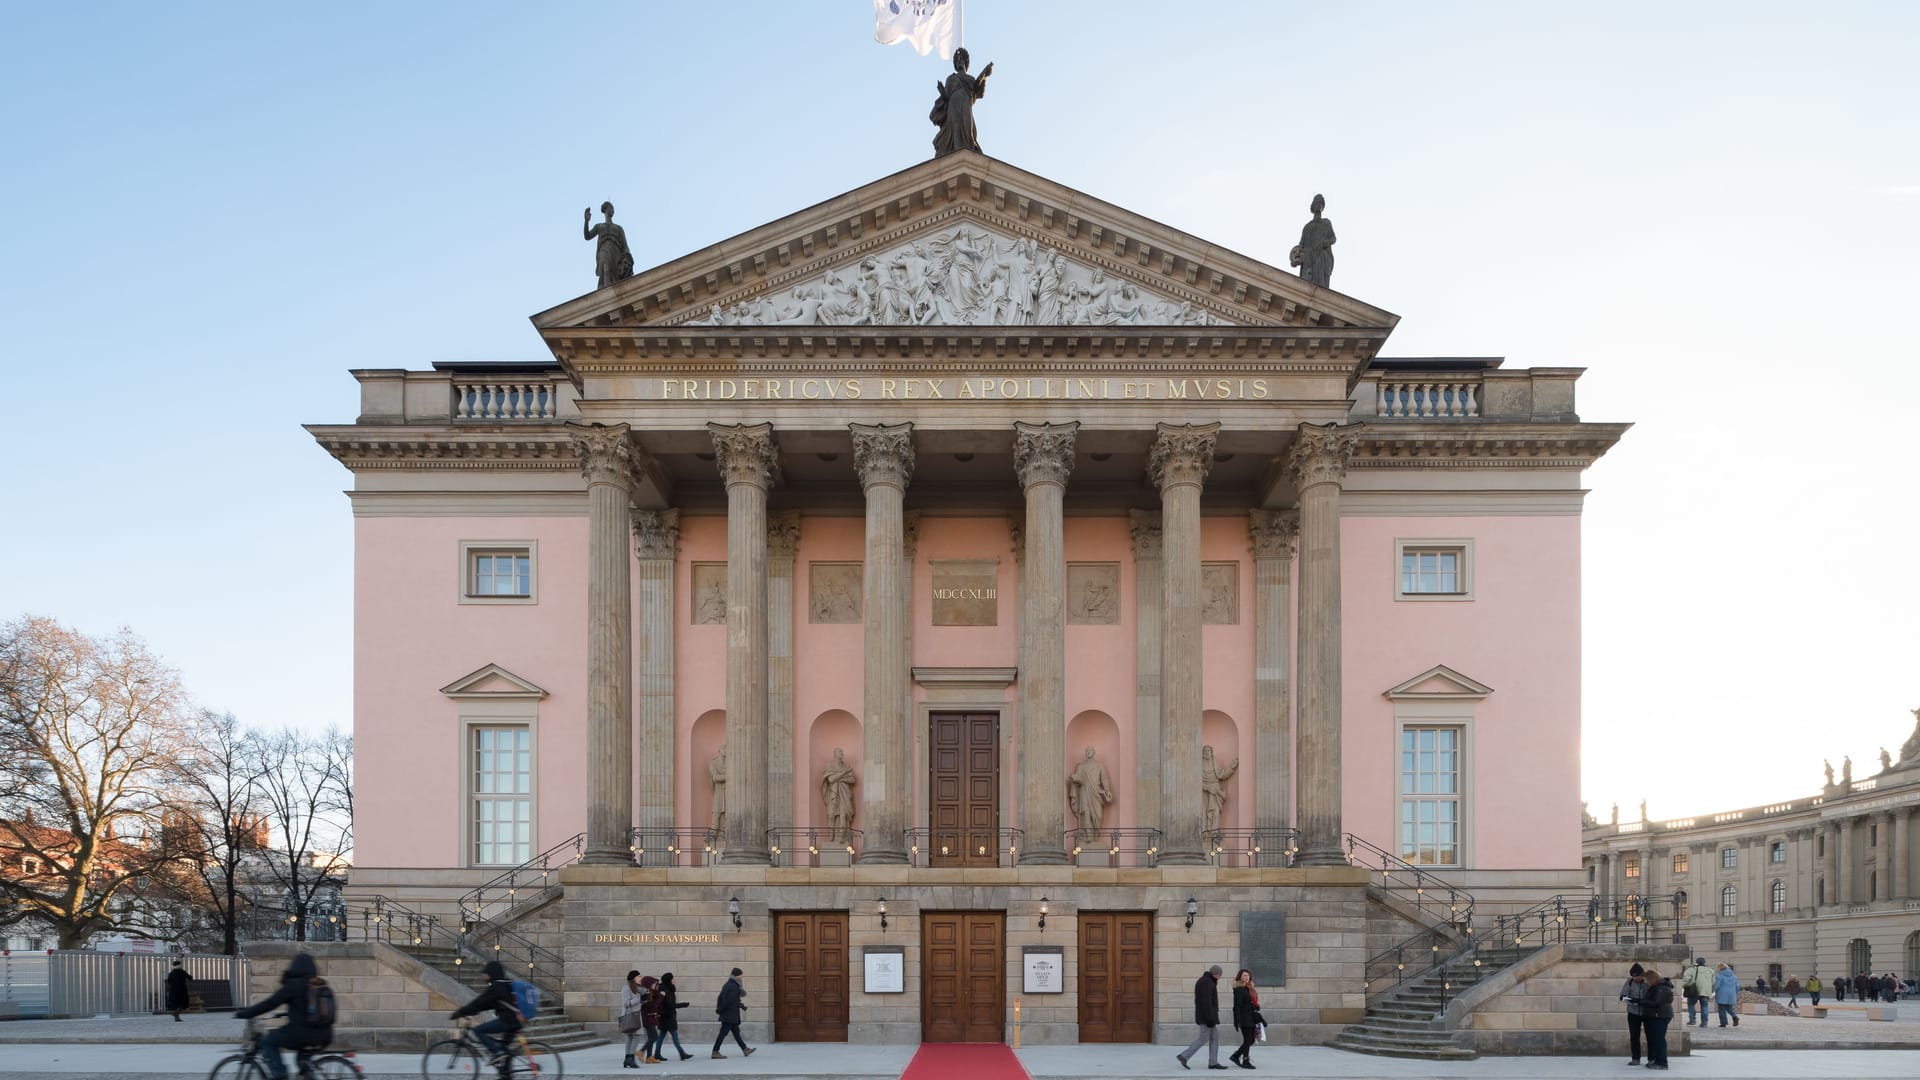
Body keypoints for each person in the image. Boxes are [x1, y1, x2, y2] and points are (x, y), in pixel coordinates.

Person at [233, 953, 334, 1080]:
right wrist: (288, 1013)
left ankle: (280, 1076)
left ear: (295, 968)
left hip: (302, 1034)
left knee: (268, 1042)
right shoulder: (320, 986)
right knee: (302, 1062)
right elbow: (308, 1010)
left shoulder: (294, 985)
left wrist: (245, 1013)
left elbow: (269, 1004)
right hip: (325, 1035)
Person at [450, 959, 523, 1075]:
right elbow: (488, 1004)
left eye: (486, 973)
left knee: (478, 1030)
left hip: (507, 1021)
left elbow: (480, 1002)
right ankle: (506, 1074)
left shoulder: (496, 987)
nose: (484, 976)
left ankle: (497, 1053)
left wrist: (460, 1012)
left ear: (492, 973)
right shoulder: (504, 984)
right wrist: (474, 1011)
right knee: (505, 1050)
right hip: (515, 1021)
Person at [929, 48, 993, 157]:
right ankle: (957, 153)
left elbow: (978, 92)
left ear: (966, 62)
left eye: (961, 59)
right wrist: (942, 91)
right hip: (953, 107)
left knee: (967, 127)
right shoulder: (951, 78)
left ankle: (968, 152)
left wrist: (984, 75)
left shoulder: (970, 79)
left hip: (965, 104)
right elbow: (946, 97)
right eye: (957, 60)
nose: (959, 62)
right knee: (956, 126)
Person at [1176, 964, 1226, 1070]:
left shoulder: (1207, 981)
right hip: (1207, 1017)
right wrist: (1209, 1018)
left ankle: (1213, 1062)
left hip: (1208, 1016)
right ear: (1216, 974)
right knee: (1204, 1038)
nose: (1220, 977)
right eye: (1220, 975)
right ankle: (1184, 1056)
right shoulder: (1206, 982)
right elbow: (1205, 1002)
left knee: (1214, 1038)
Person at [583, 202, 634, 289]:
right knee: (606, 269)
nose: (613, 210)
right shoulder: (599, 226)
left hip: (616, 253)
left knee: (615, 275)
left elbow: (625, 246)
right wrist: (586, 221)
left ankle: (614, 293)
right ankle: (605, 291)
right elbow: (587, 236)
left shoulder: (619, 228)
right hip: (604, 250)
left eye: (613, 209)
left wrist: (628, 259)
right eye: (611, 208)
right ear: (605, 209)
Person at [649, 971, 692, 1062]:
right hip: (668, 1017)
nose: (674, 980)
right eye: (673, 978)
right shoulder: (666, 990)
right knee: (674, 1036)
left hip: (664, 1016)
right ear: (669, 980)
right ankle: (682, 1053)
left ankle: (657, 1054)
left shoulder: (666, 989)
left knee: (661, 1036)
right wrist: (683, 1004)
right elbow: (670, 1005)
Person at [711, 967, 753, 1059]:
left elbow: (731, 999)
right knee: (723, 1033)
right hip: (729, 1015)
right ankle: (715, 1051)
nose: (742, 977)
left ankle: (745, 1049)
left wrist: (741, 1006)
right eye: (741, 975)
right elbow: (729, 1001)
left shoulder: (729, 984)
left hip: (729, 1014)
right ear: (737, 975)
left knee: (736, 1033)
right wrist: (721, 1010)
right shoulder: (733, 986)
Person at [1642, 967, 1675, 1070]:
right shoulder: (1656, 987)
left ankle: (1662, 1063)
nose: (1646, 982)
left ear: (1651, 979)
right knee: (1656, 1040)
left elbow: (1657, 1003)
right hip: (1656, 1015)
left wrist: (1641, 1002)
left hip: (1660, 1016)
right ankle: (1657, 1061)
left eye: (1647, 980)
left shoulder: (1662, 988)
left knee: (1659, 1040)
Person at [619, 970, 653, 1068]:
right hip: (630, 1016)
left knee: (630, 1038)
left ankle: (627, 1059)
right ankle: (631, 1058)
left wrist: (645, 1000)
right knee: (638, 1036)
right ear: (633, 978)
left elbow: (638, 1003)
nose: (640, 978)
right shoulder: (626, 988)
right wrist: (640, 999)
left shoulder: (636, 989)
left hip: (636, 1015)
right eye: (638, 977)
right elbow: (626, 1004)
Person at [1228, 968, 1261, 1070]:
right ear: (1240, 977)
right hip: (1244, 1018)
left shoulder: (1249, 988)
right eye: (1244, 975)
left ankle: (1236, 1055)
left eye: (1248, 975)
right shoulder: (1239, 989)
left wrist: (1256, 1006)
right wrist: (1237, 1020)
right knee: (1247, 1040)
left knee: (1251, 1040)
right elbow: (1236, 1006)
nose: (1247, 977)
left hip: (1250, 1017)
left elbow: (1250, 1003)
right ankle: (1245, 1060)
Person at [1619, 963, 1649, 1066]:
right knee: (1634, 1036)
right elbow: (1623, 994)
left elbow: (1651, 996)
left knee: (1650, 1037)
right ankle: (1635, 1058)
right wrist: (1629, 999)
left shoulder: (1648, 982)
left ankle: (1652, 1059)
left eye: (1638, 976)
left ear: (1642, 975)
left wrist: (1641, 1001)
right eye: (1634, 976)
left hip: (1647, 1013)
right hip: (1633, 1013)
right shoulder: (1629, 982)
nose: (1636, 978)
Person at [1679, 956, 1713, 1026]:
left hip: (1694, 990)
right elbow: (1713, 981)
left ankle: (1692, 1020)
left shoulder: (1692, 969)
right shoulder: (1710, 970)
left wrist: (1681, 986)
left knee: (1691, 1005)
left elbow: (1686, 979)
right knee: (1704, 1006)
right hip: (1705, 991)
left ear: (1696, 962)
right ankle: (1704, 1022)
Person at [1712, 962, 1739, 1027]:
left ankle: (1723, 1023)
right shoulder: (1734, 976)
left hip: (1722, 994)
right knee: (1729, 1008)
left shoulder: (1719, 976)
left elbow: (1717, 986)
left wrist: (1712, 990)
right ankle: (1735, 1017)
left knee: (1721, 1009)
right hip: (1731, 994)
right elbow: (1737, 986)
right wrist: (1735, 993)